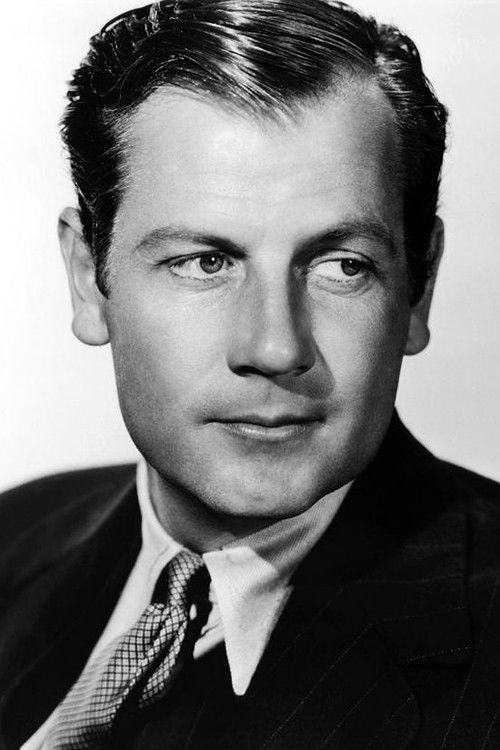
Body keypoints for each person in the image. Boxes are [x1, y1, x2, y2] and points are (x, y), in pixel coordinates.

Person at [1, 0, 499, 747]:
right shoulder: (16, 533)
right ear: (87, 278)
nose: (274, 347)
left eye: (342, 266)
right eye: (205, 262)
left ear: (418, 289)